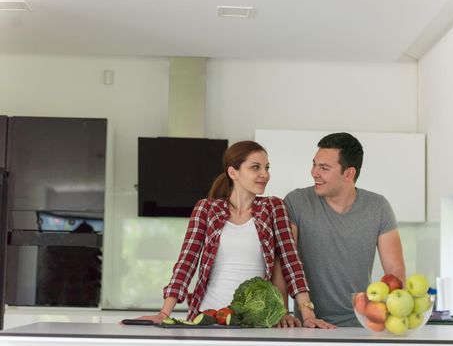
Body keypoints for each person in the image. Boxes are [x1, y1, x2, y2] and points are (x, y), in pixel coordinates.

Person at [136, 140, 334, 329]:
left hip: (255, 321)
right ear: (233, 172)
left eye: (267, 167)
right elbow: (186, 263)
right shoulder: (206, 209)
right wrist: (164, 313)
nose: (264, 174)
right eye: (255, 167)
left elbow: (291, 262)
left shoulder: (273, 207)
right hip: (207, 317)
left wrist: (308, 315)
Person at [279, 132, 406, 327]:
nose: (314, 172)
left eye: (324, 168)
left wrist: (396, 310)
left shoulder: (378, 207)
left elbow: (394, 270)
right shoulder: (296, 202)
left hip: (363, 324)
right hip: (311, 324)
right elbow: (285, 262)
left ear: (348, 174)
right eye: (314, 164)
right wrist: (282, 310)